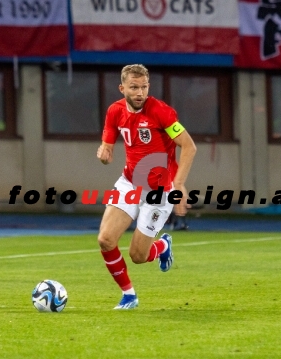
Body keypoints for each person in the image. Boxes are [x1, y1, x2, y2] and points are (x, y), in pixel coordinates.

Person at [96, 64, 197, 309]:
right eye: (134, 87)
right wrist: (104, 153)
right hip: (130, 183)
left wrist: (179, 184)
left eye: (143, 87)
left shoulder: (162, 112)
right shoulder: (114, 111)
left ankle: (162, 245)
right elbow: (107, 144)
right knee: (105, 240)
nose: (140, 92)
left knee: (138, 256)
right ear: (122, 88)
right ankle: (129, 295)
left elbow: (189, 146)